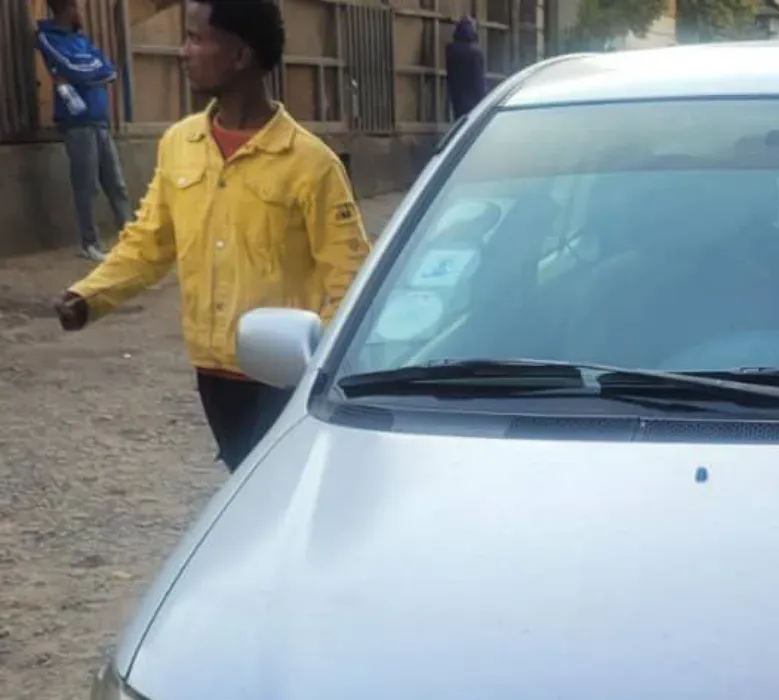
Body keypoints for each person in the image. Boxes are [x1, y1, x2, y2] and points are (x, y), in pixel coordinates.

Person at [53, 0, 371, 473]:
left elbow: (350, 277)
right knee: (246, 484)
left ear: (240, 56)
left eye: (196, 38)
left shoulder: (310, 163)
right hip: (214, 374)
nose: (184, 51)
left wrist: (316, 365)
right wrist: (89, 296)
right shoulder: (180, 146)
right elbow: (148, 242)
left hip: (284, 380)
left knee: (273, 492)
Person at [35, 0, 133, 262]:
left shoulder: (82, 40)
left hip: (100, 119)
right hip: (77, 121)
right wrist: (94, 73)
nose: (80, 13)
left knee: (116, 184)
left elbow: (109, 69)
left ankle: (132, 238)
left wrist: (90, 73)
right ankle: (89, 243)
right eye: (76, 8)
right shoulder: (47, 37)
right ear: (66, 10)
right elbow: (70, 68)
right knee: (86, 185)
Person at [446, 17, 488, 120]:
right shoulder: (475, 52)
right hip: (472, 97)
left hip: (456, 95)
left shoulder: (451, 50)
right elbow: (478, 79)